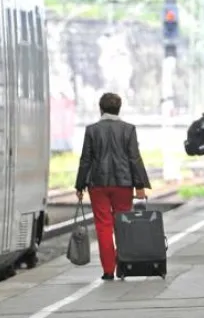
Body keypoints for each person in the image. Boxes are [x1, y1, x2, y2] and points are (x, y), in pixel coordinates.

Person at [74, 93, 150, 281]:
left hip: (98, 184)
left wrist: (80, 184)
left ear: (101, 109)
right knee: (122, 224)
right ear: (119, 108)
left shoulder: (92, 130)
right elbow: (134, 157)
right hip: (123, 184)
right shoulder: (128, 129)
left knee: (103, 226)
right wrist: (139, 185)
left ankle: (108, 270)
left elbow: (86, 159)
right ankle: (123, 266)